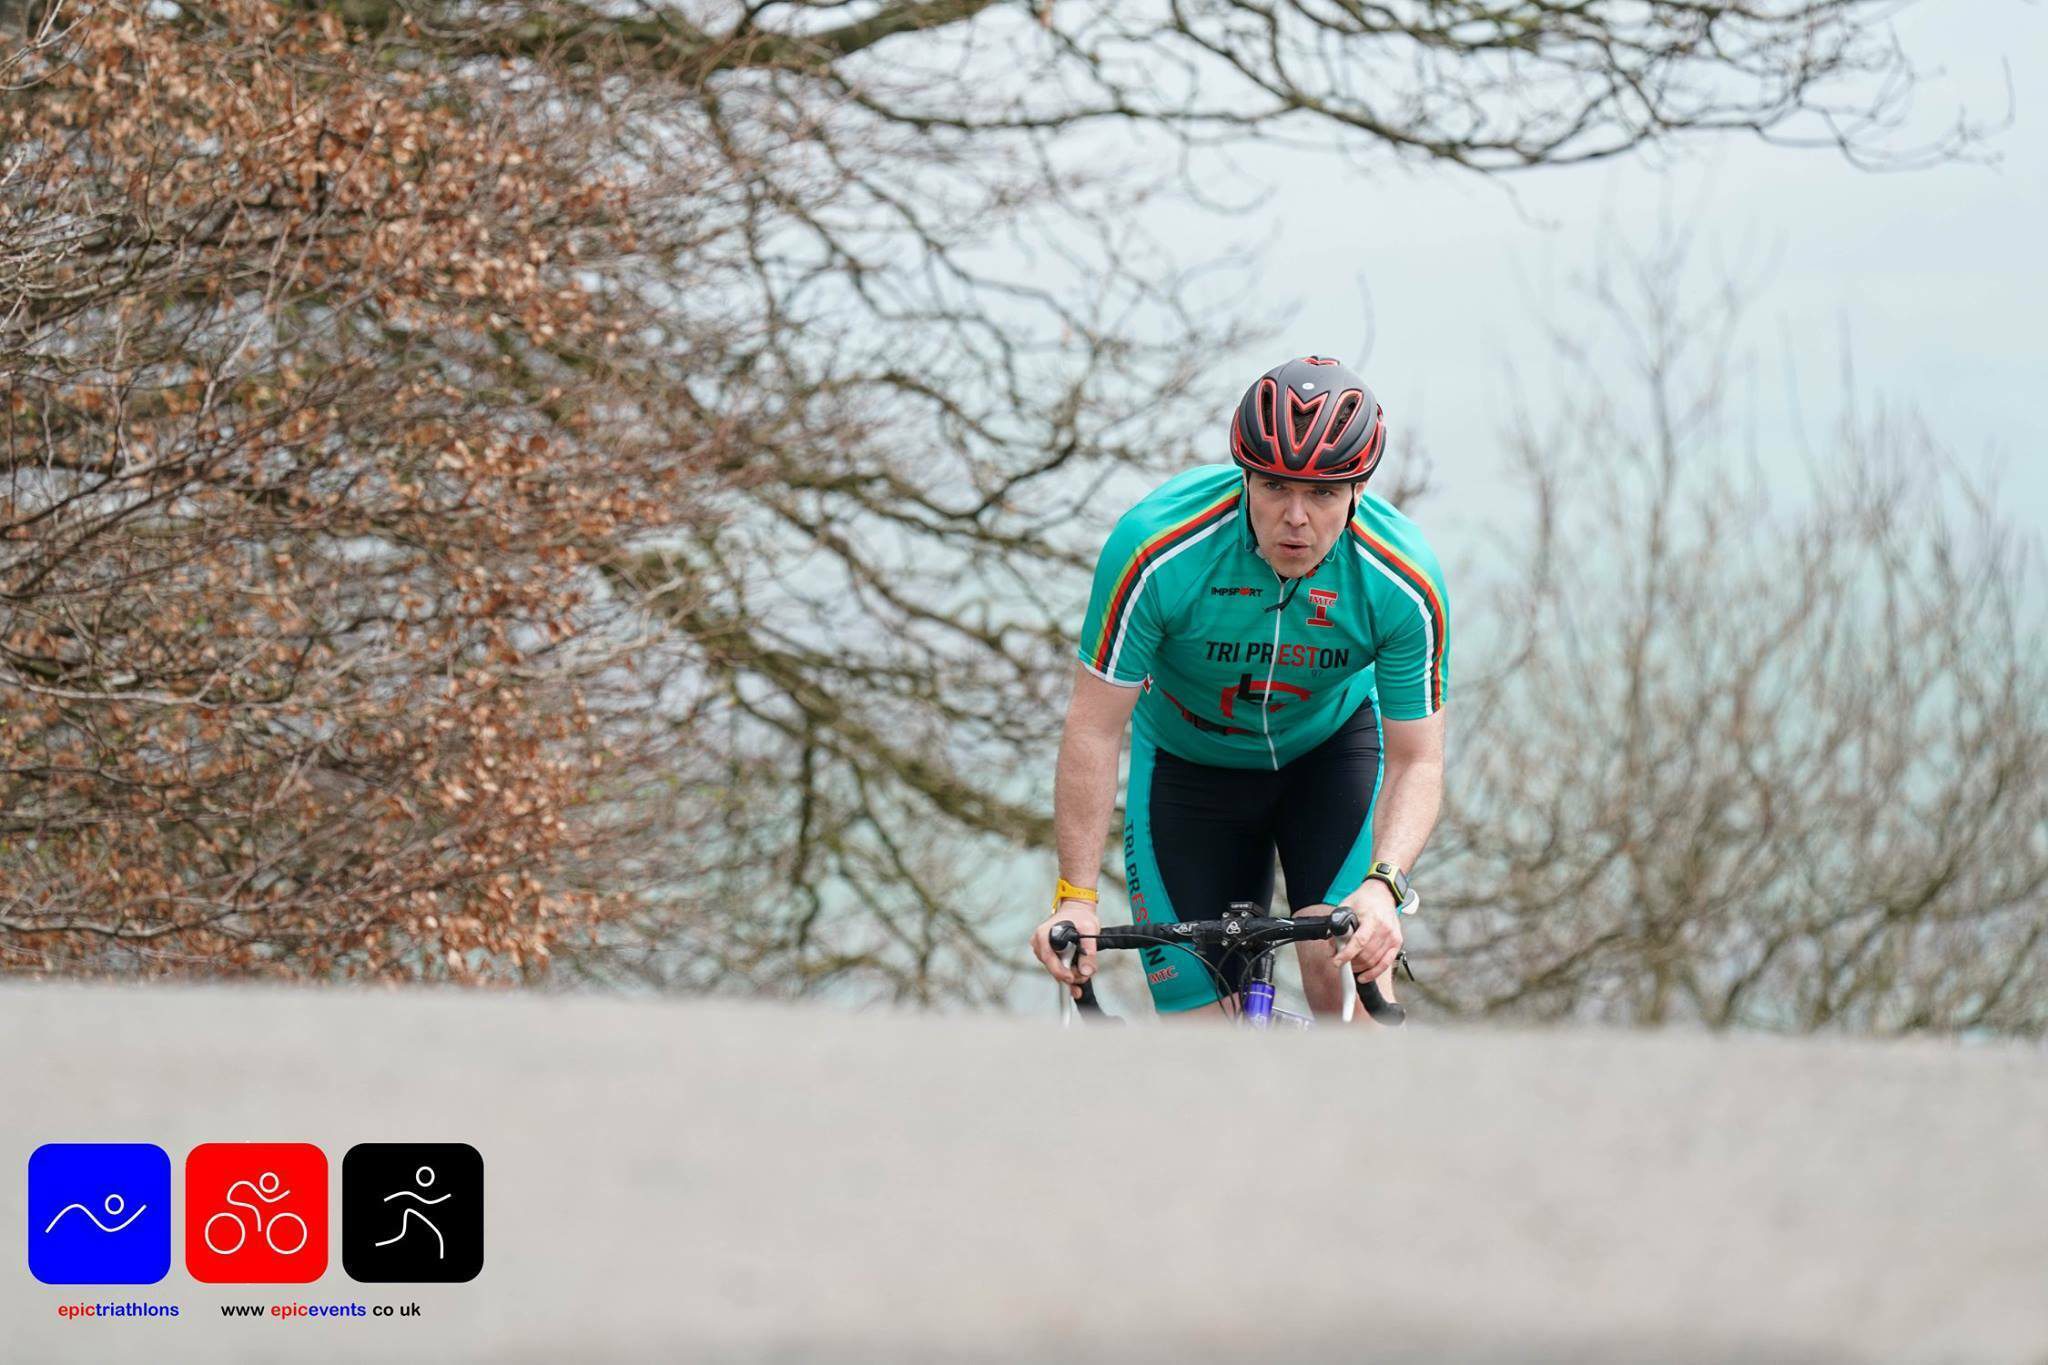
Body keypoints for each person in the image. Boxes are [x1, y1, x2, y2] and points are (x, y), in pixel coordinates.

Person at [1029, 355, 1449, 1020]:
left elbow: (1418, 757)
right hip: (1190, 772)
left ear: (1359, 491)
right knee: (1204, 1041)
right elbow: (1093, 725)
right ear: (1244, 476)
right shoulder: (1156, 548)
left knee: (1343, 961)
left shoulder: (1403, 578)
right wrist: (1076, 895)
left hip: (1327, 756)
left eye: (1324, 494)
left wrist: (1385, 885)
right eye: (1276, 486)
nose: (1296, 517)